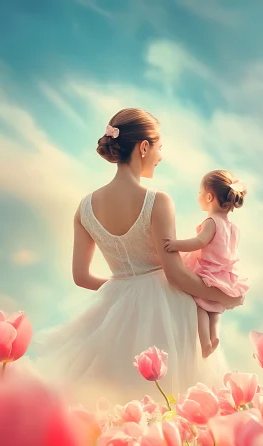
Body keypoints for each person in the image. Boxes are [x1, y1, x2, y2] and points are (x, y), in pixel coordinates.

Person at [35, 108, 242, 405]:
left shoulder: (85, 207)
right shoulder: (157, 201)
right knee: (173, 401)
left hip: (113, 311)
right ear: (143, 147)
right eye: (159, 147)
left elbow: (80, 277)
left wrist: (125, 291)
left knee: (115, 402)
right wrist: (224, 297)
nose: (160, 155)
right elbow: (175, 274)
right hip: (171, 312)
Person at [162, 170, 249, 358]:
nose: (198, 196)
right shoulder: (233, 227)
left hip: (207, 271)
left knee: (200, 307)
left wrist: (176, 244)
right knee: (215, 309)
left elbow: (199, 242)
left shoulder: (212, 221)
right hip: (224, 274)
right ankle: (215, 336)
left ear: (209, 196)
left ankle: (206, 343)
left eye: (200, 193)